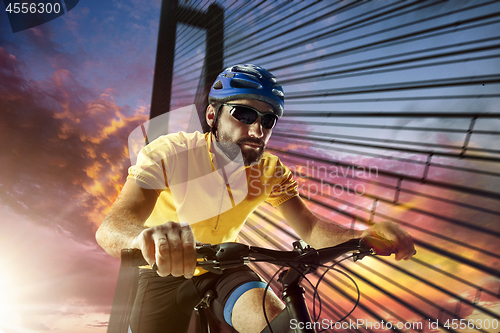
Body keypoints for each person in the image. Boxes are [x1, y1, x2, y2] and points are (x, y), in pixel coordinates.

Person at [96, 64, 415, 333]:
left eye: (267, 120)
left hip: (225, 267)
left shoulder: (269, 170)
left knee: (281, 326)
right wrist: (146, 240)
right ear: (212, 115)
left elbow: (310, 226)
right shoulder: (170, 152)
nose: (257, 129)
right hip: (162, 272)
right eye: (244, 114)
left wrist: (360, 234)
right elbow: (112, 227)